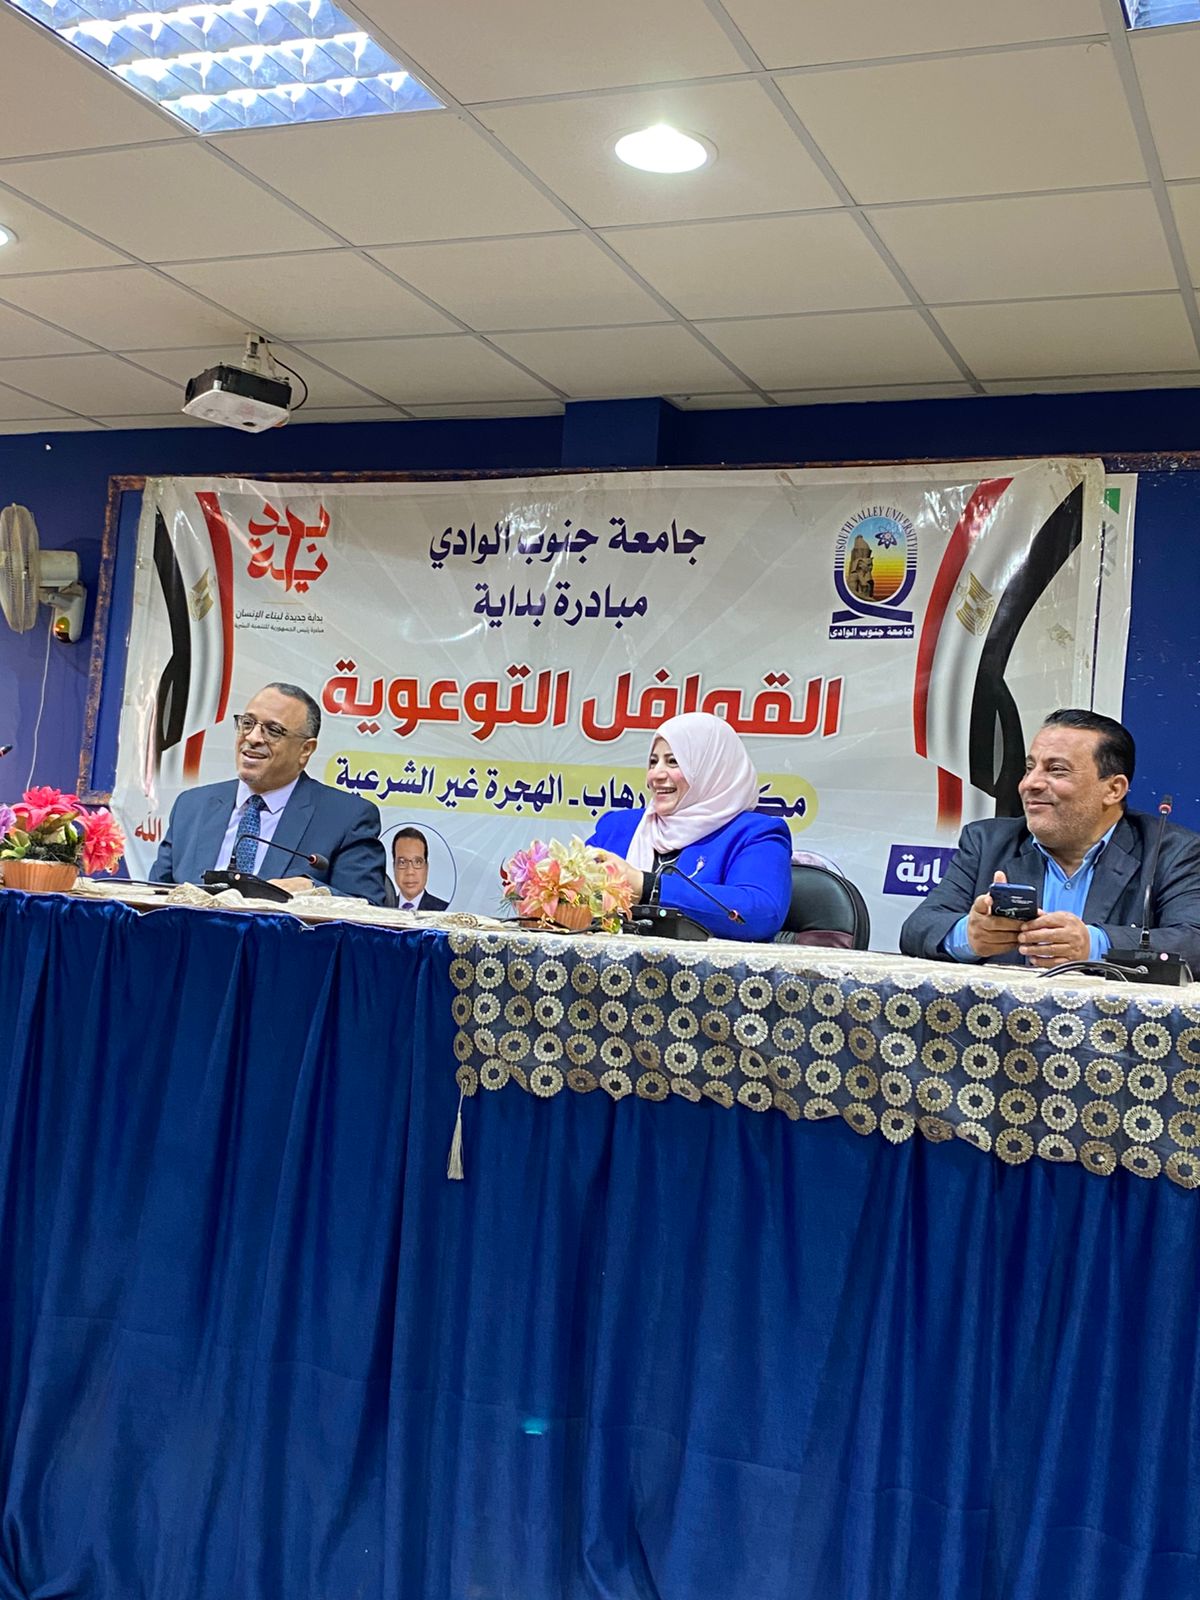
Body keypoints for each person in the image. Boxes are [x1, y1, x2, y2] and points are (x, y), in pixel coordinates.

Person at [899, 707, 1200, 968]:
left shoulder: (1171, 852)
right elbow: (917, 930)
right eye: (1029, 768)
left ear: (1113, 789)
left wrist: (1093, 945)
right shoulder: (986, 842)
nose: (1029, 784)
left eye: (1056, 770)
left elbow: (1193, 942)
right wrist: (970, 936)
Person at [150, 682, 388, 904]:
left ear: (305, 750)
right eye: (247, 723)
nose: (252, 738)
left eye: (273, 731)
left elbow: (368, 910)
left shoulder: (346, 819)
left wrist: (314, 890)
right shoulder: (191, 807)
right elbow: (154, 898)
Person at [588, 712, 791, 942]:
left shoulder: (755, 833)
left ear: (712, 768)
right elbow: (567, 890)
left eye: (673, 761)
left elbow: (760, 914)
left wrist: (647, 886)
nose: (655, 775)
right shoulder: (617, 827)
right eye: (653, 762)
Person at [392, 827, 448, 910]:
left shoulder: (446, 911)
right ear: (394, 867)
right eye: (402, 862)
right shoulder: (381, 910)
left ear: (426, 867)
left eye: (417, 862)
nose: (410, 872)